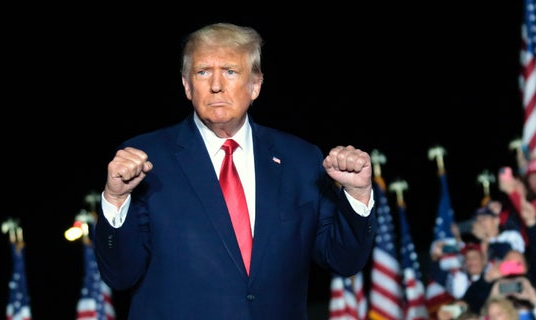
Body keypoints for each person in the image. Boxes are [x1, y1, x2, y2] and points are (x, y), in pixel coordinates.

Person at [93, 22, 377, 319]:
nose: (216, 85)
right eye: (203, 72)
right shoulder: (147, 159)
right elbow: (120, 275)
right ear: (187, 85)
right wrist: (115, 199)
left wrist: (357, 193)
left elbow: (344, 261)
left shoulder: (301, 159)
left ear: (255, 85)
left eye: (230, 71)